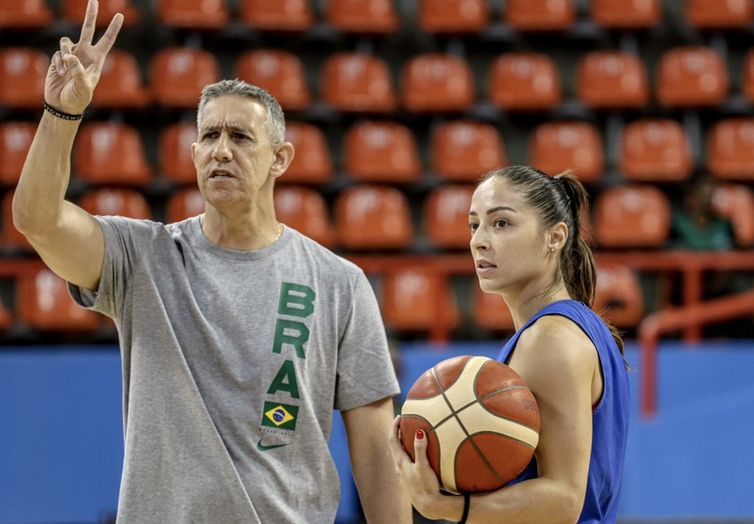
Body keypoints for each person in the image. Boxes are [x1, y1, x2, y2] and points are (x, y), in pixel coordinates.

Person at [13, 1, 411, 522]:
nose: (221, 150)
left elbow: (378, 453)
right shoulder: (142, 257)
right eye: (209, 136)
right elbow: (37, 220)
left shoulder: (338, 282)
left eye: (241, 137)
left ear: (280, 158)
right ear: (195, 154)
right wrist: (62, 113)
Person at [390, 166, 630, 523]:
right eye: (475, 225)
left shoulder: (550, 340)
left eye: (501, 223)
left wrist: (443, 506)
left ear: (555, 236)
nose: (479, 241)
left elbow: (564, 499)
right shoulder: (574, 327)